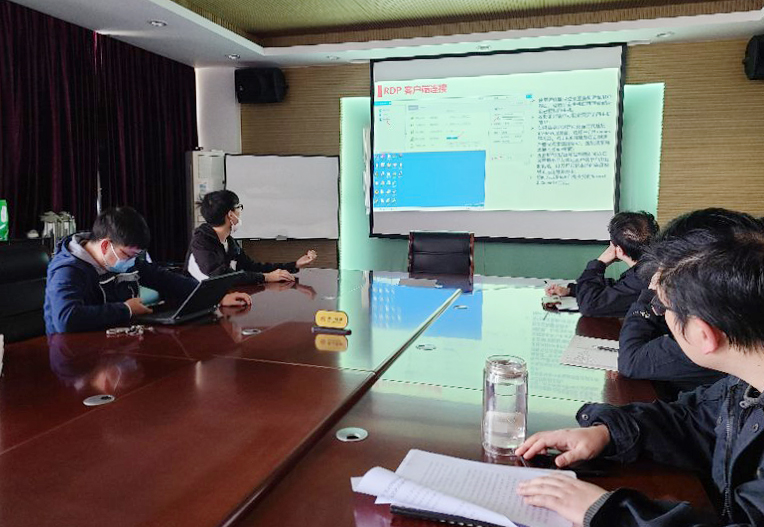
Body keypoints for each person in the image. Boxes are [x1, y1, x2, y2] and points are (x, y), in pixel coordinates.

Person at [516, 208, 764, 526]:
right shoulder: (745, 384)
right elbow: (698, 419)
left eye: (662, 306)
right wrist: (609, 432)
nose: (659, 313)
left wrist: (609, 512)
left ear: (704, 335)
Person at [44, 207, 251, 334]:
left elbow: (163, 278)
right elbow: (66, 320)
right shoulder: (68, 270)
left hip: (116, 343)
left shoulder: (120, 258)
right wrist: (126, 309)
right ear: (106, 245)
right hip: (75, 355)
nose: (131, 261)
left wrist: (217, 296)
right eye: (128, 255)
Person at [185, 190, 317, 284]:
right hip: (197, 304)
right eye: (239, 207)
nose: (241, 211)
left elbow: (251, 267)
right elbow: (221, 276)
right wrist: (266, 277)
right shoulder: (201, 242)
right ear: (230, 215)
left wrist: (294, 264)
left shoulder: (229, 241)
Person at [545, 211, 659, 317]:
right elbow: (619, 290)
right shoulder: (652, 265)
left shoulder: (643, 278)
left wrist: (600, 262)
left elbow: (589, 305)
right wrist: (571, 290)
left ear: (619, 250)